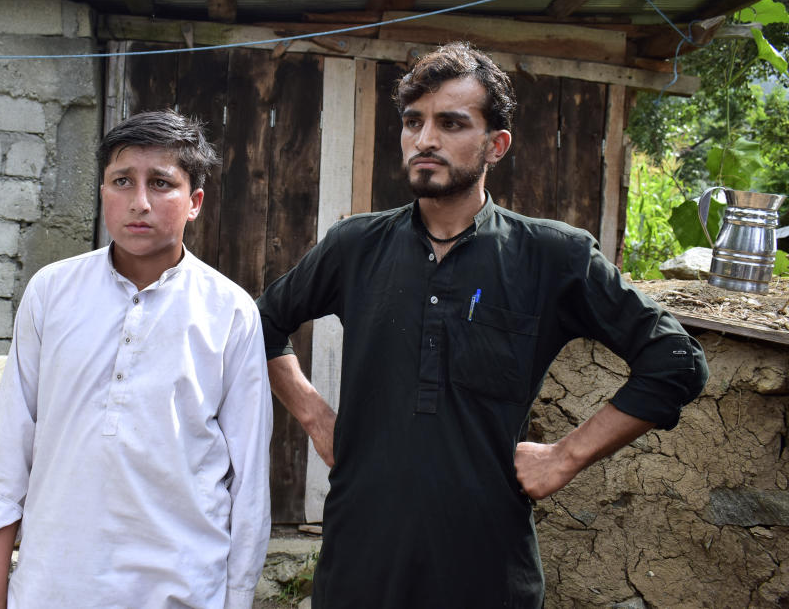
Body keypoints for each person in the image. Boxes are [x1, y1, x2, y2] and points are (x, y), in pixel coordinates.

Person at [256, 42, 709, 608]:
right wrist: (314, 413)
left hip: (486, 571)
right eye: (414, 122)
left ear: (496, 145)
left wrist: (565, 456)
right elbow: (262, 323)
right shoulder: (356, 246)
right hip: (358, 563)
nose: (425, 140)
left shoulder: (552, 256)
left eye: (451, 123)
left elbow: (675, 360)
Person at [0, 110, 273, 609]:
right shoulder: (52, 292)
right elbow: (9, 445)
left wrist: (236, 597)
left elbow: (250, 478)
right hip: (54, 584)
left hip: (183, 588)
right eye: (122, 181)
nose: (140, 203)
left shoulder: (229, 311)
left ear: (194, 202)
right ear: (103, 191)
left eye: (161, 184)